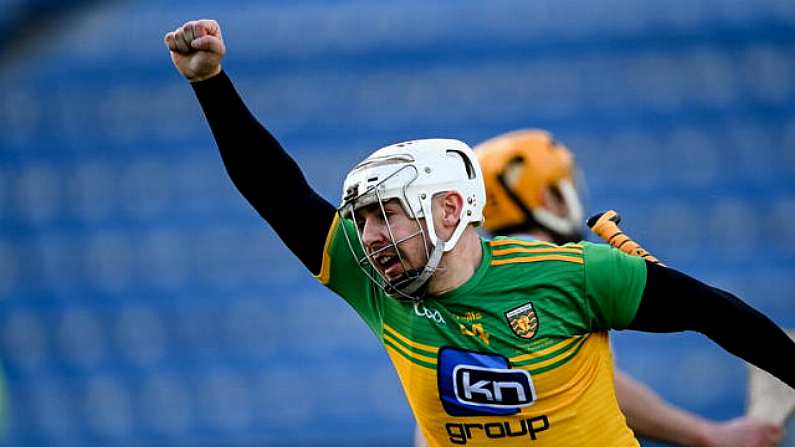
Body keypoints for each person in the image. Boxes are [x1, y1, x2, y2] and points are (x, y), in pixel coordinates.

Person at [164, 19, 795, 447]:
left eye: (389, 213)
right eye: (363, 219)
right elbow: (278, 194)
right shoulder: (375, 284)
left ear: (447, 210)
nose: (373, 236)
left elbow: (720, 315)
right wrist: (209, 83)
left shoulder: (577, 273)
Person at [468, 129, 783, 447]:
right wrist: (710, 434)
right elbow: (602, 387)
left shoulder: (465, 278)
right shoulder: (570, 270)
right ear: (549, 198)